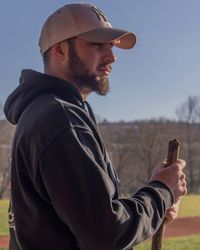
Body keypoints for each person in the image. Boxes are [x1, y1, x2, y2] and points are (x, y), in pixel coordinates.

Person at [4, 3, 187, 250]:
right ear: (60, 49)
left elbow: (84, 219)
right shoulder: (59, 118)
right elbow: (106, 234)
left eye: (110, 46)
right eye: (97, 44)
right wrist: (164, 190)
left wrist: (156, 206)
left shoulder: (44, 112)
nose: (112, 57)